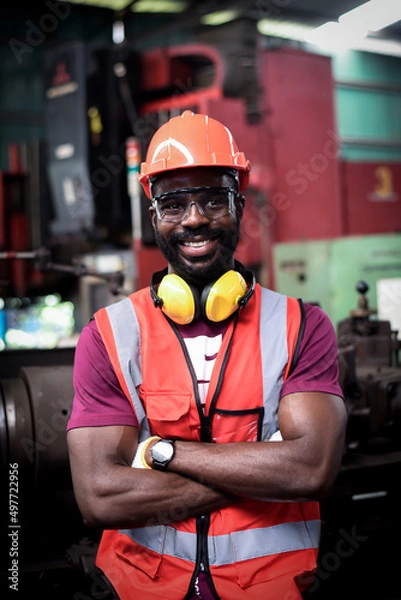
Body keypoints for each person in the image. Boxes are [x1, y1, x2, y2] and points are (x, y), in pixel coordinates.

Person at [66, 110, 347, 600]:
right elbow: (99, 497)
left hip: (267, 589)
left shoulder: (302, 326)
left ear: (239, 206)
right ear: (154, 216)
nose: (195, 218)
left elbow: (312, 469)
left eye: (214, 199)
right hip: (143, 589)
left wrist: (161, 453)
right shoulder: (109, 335)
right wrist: (265, 471)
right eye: (174, 204)